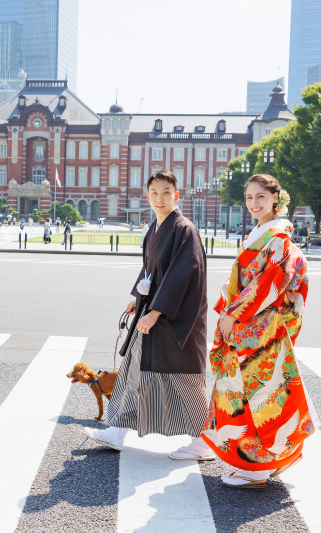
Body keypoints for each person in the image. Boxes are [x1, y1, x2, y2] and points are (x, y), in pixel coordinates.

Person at [181, 174, 317, 489]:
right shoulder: (263, 232)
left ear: (275, 198)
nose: (254, 204)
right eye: (249, 197)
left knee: (259, 396)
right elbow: (244, 280)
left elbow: (267, 283)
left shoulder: (278, 235)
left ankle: (258, 467)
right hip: (253, 323)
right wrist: (226, 308)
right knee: (243, 392)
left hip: (259, 324)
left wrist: (232, 314)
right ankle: (259, 461)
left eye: (260, 197)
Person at [81, 171, 208, 452]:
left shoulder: (184, 229)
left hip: (174, 320)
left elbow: (182, 274)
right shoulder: (155, 227)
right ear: (147, 195)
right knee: (136, 371)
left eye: (166, 192)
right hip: (153, 314)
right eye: (154, 192)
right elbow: (151, 271)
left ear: (177, 195)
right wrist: (139, 300)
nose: (159, 198)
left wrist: (156, 311)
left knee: (184, 380)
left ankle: (205, 439)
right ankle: (118, 430)